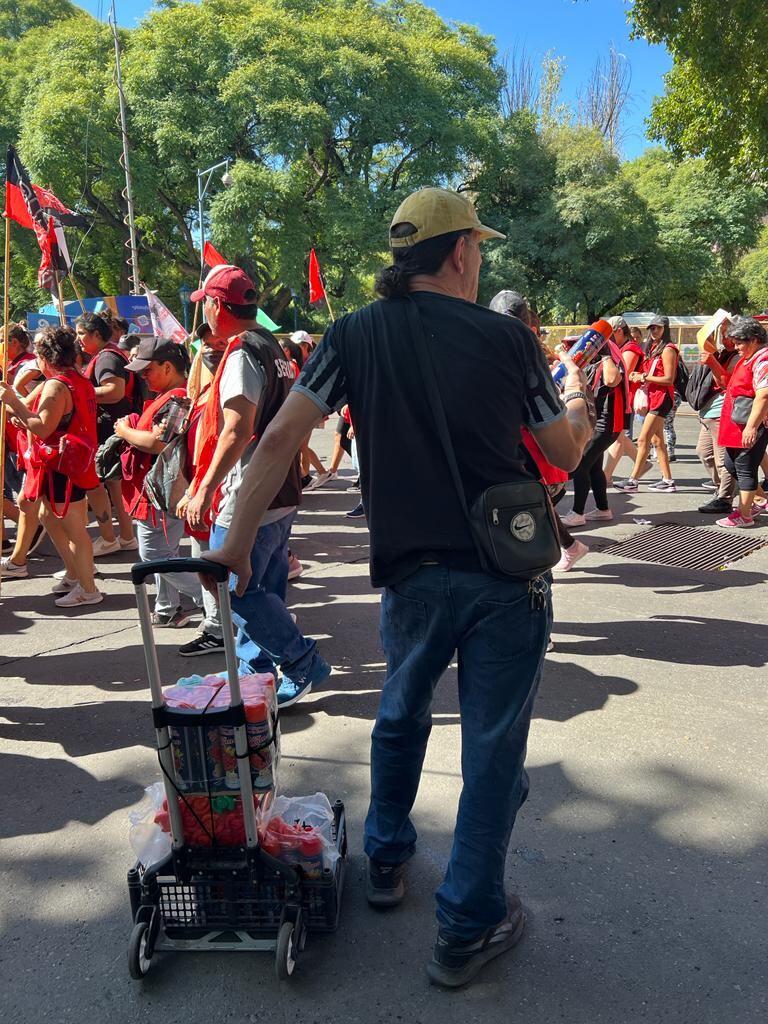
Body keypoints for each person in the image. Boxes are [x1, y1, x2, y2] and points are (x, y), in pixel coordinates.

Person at [202, 188, 592, 987]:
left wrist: (236, 543)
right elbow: (564, 445)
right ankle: (467, 926)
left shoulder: (350, 334)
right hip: (502, 578)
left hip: (409, 574)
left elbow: (280, 436)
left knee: (400, 714)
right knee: (490, 752)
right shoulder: (508, 341)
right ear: (458, 254)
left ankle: (384, 860)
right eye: (477, 249)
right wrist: (581, 401)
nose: (479, 261)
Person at [180, 263, 330, 705]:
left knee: (234, 589)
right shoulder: (272, 347)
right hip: (278, 488)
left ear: (214, 304)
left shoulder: (244, 352)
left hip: (251, 493)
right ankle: (255, 676)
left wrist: (204, 487)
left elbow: (236, 429)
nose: (201, 312)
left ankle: (301, 661)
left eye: (203, 303)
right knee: (264, 588)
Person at [0, 325, 102, 606]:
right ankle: (74, 573)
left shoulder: (57, 385)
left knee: (76, 531)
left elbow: (42, 427)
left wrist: (14, 403)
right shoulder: (76, 381)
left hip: (62, 465)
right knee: (45, 515)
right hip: (68, 463)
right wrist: (15, 403)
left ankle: (88, 589)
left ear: (45, 359)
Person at [116, 337, 202, 626]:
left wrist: (125, 430)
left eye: (147, 370)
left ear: (167, 367)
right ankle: (168, 608)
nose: (142, 377)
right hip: (163, 487)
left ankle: (215, 601)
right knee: (167, 551)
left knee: (154, 555)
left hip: (162, 489)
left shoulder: (179, 397)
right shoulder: (174, 394)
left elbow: (156, 442)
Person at [177, 322, 227, 656]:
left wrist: (199, 489)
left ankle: (220, 629)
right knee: (205, 560)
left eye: (219, 344)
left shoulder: (229, 395)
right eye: (206, 345)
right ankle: (222, 623)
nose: (210, 351)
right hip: (207, 493)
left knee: (211, 564)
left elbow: (219, 447)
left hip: (219, 496)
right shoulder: (202, 395)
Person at [75, 313, 138, 555]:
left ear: (97, 335)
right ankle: (126, 536)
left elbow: (114, 391)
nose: (78, 339)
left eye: (82, 333)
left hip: (108, 431)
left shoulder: (107, 358)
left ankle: (110, 538)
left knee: (100, 486)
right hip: (112, 429)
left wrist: (81, 391)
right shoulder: (109, 355)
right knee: (115, 486)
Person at [560, 336, 626, 527]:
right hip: (599, 422)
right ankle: (603, 509)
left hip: (606, 423)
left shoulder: (612, 360)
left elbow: (612, 380)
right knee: (595, 467)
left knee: (581, 465)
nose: (588, 347)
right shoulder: (599, 362)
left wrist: (606, 355)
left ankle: (577, 513)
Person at [615, 314, 679, 493]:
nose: (654, 331)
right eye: (651, 328)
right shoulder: (653, 348)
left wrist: (642, 376)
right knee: (657, 441)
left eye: (657, 327)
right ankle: (667, 480)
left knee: (643, 439)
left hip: (662, 398)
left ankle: (633, 480)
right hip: (654, 397)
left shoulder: (668, 349)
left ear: (665, 328)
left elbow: (669, 378)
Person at [714, 317, 768, 528]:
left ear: (754, 340)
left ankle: (743, 515)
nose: (735, 347)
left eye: (739, 342)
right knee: (731, 464)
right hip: (737, 423)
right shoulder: (751, 357)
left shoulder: (763, 360)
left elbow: (763, 396)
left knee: (745, 467)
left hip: (750, 423)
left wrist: (752, 427)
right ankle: (760, 499)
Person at [695, 326, 739, 514]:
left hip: (722, 411)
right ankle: (723, 489)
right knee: (705, 453)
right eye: (722, 335)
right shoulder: (724, 353)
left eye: (727, 335)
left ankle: (725, 498)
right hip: (710, 412)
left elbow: (726, 383)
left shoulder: (737, 356)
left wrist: (712, 362)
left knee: (723, 459)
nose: (724, 339)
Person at [602, 316, 646, 483]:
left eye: (610, 335)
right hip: (623, 398)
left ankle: (605, 476)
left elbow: (621, 375)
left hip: (626, 399)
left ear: (619, 331)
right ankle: (642, 464)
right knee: (621, 436)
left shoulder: (630, 349)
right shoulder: (625, 347)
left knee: (619, 437)